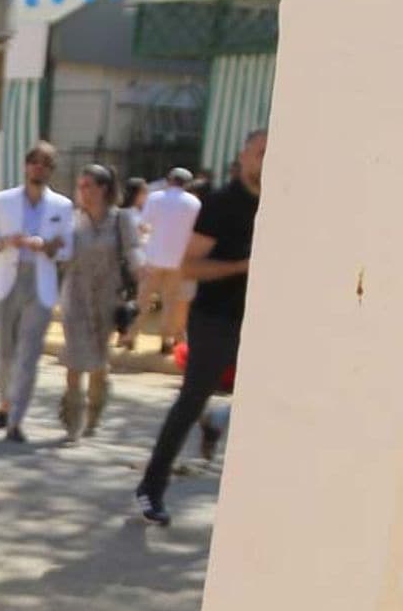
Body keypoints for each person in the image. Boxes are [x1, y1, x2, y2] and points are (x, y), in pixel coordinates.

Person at [136, 131, 267, 526]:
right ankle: (151, 488)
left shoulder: (288, 206)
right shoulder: (221, 205)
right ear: (244, 156)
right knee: (191, 401)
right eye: (262, 153)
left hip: (262, 323)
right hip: (216, 318)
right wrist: (242, 267)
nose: (268, 161)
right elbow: (189, 266)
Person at [0, 142, 74, 441]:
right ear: (25, 165)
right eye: (34, 161)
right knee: (4, 352)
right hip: (7, 279)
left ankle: (16, 419)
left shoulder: (62, 206)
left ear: (51, 170)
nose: (38, 167)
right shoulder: (3, 200)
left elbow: (67, 247)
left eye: (45, 163)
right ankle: (6, 401)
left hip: (40, 283)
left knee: (29, 355)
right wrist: (5, 242)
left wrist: (46, 247)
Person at [57, 164, 144, 440]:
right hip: (75, 294)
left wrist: (142, 274)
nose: (83, 192)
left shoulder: (122, 219)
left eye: (88, 186)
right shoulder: (71, 219)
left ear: (104, 189)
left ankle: (95, 411)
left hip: (108, 295)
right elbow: (59, 255)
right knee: (74, 355)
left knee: (97, 358)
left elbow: (133, 251)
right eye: (80, 186)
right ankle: (72, 418)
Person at [129, 167, 202, 355]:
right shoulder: (194, 203)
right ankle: (166, 340)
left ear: (169, 180)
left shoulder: (155, 198)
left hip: (153, 257)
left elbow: (144, 225)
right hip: (178, 260)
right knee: (170, 303)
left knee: (143, 300)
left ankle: (130, 336)